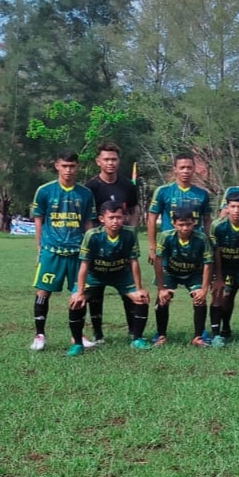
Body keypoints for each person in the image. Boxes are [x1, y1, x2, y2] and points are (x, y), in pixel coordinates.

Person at [29, 151, 97, 352]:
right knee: (43, 291)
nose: (68, 170)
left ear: (77, 167)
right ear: (57, 165)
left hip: (77, 252)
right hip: (52, 251)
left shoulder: (85, 193)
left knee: (79, 292)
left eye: (72, 166)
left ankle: (78, 335)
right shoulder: (45, 191)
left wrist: (90, 248)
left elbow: (88, 223)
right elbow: (39, 220)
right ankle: (40, 335)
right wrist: (39, 248)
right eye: (64, 166)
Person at [67, 201, 150, 356]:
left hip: (120, 274)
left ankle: (137, 339)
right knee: (76, 302)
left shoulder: (130, 233)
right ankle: (77, 344)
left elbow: (134, 262)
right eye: (111, 217)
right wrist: (79, 292)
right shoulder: (92, 235)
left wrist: (139, 288)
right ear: (101, 219)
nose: (115, 221)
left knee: (142, 298)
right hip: (95, 275)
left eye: (119, 217)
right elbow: (84, 265)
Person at [83, 142, 141, 346]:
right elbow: (87, 217)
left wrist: (131, 232)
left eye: (114, 159)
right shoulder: (90, 187)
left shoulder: (127, 185)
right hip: (98, 246)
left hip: (122, 245)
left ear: (119, 161)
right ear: (98, 161)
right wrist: (92, 238)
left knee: (127, 288)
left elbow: (133, 211)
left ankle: (134, 333)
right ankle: (98, 334)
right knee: (96, 292)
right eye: (106, 159)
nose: (110, 163)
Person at [153, 208, 213, 346]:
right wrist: (161, 288)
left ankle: (198, 337)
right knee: (162, 300)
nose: (185, 228)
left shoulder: (201, 238)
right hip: (171, 272)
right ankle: (161, 336)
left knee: (200, 300)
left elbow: (208, 264)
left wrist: (204, 290)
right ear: (174, 224)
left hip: (193, 273)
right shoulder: (166, 236)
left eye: (189, 224)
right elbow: (158, 261)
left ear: (194, 223)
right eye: (181, 224)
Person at [209, 192, 239, 346]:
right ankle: (217, 334)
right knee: (219, 294)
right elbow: (216, 253)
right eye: (233, 206)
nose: (236, 210)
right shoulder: (217, 225)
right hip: (223, 266)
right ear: (227, 208)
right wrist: (218, 278)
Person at [148, 153, 212, 270]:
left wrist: (208, 243)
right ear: (175, 169)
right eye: (182, 168)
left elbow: (207, 220)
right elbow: (152, 219)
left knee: (197, 282)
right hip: (168, 245)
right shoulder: (163, 191)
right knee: (165, 284)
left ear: (194, 169)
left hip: (194, 245)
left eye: (189, 168)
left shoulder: (202, 194)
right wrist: (153, 247)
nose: (186, 171)